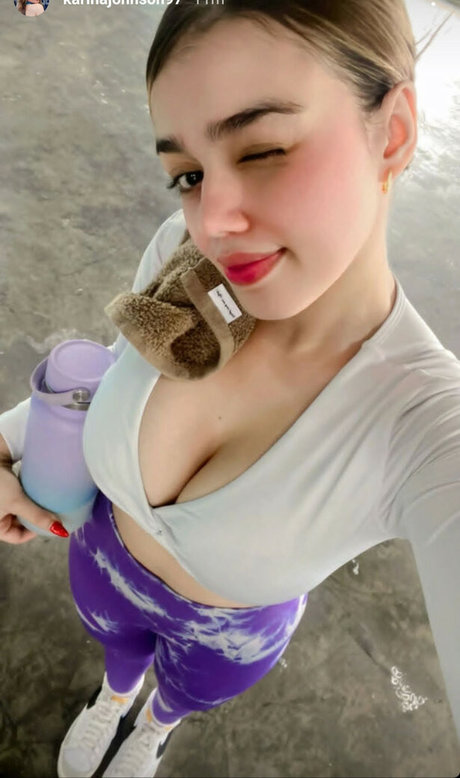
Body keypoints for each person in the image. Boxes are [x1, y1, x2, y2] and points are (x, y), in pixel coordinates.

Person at [0, 1, 458, 777]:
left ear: (394, 133)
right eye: (188, 174)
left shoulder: (425, 423)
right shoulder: (181, 260)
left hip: (225, 640)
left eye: (263, 149)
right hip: (100, 566)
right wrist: (12, 436)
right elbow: (117, 367)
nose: (212, 221)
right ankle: (113, 698)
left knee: (182, 692)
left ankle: (155, 724)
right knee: (117, 654)